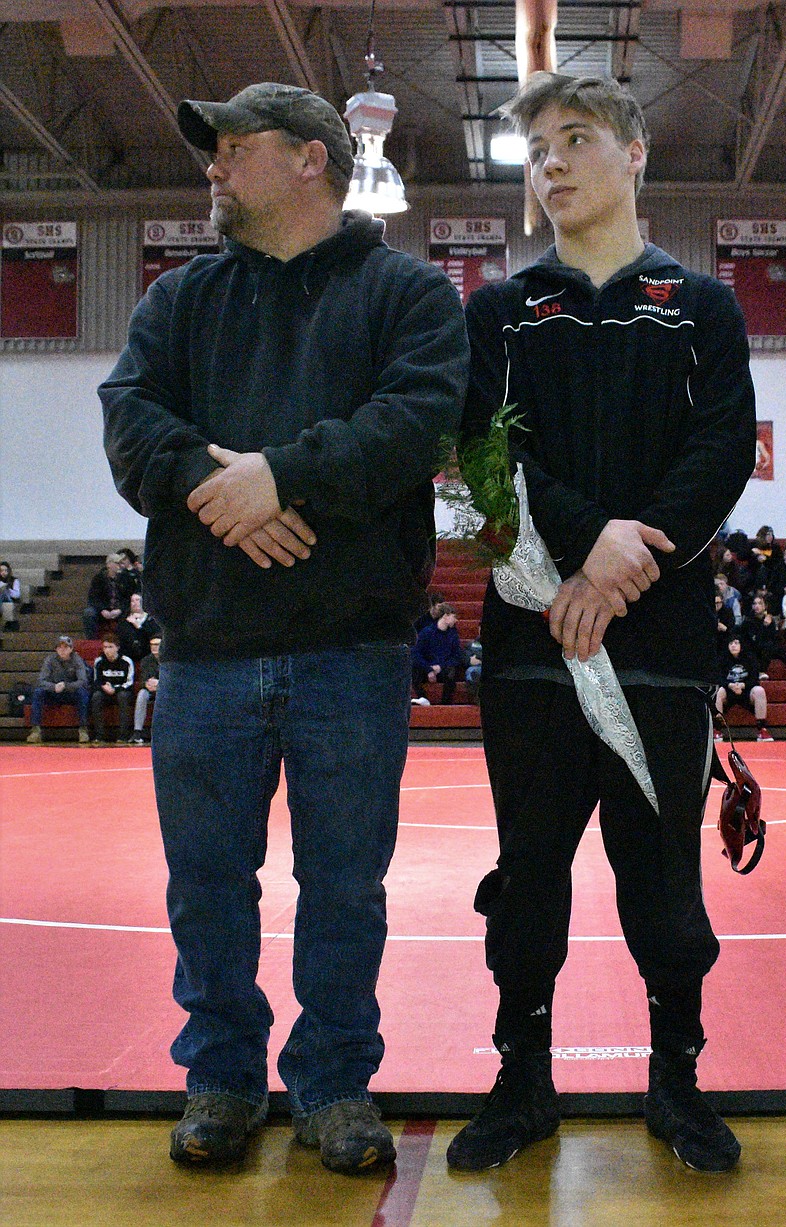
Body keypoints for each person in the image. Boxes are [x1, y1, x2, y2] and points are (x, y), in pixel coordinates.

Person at [99, 82, 468, 1172]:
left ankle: (334, 1080)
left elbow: (417, 422)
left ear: (313, 159)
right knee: (205, 882)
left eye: (233, 146)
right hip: (210, 651)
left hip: (352, 651)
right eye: (212, 149)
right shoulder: (177, 302)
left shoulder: (409, 295)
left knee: (344, 887)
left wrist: (281, 478)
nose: (211, 165)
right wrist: (230, 492)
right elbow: (131, 423)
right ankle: (220, 1075)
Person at [450, 71, 756, 1175]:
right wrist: (592, 545)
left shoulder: (702, 309)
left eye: (574, 140)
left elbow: (721, 453)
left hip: (663, 652)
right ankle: (521, 1081)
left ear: (634, 155)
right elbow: (482, 467)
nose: (552, 164)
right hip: (532, 647)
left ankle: (676, 1079)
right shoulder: (495, 312)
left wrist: (629, 565)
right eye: (536, 150)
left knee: (665, 882)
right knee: (527, 877)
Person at [26, 635, 91, 744]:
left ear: (71, 649)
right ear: (56, 649)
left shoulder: (77, 660)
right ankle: (35, 730)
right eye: (60, 647)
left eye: (66, 647)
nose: (62, 650)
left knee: (82, 693)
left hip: (70, 693)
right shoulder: (50, 660)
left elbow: (82, 681)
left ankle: (83, 729)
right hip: (54, 693)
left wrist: (66, 685)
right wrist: (53, 687)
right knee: (38, 692)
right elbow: (41, 680)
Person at [714, 634, 772, 741]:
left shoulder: (750, 657)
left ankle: (762, 730)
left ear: (741, 645)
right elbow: (718, 678)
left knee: (759, 691)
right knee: (719, 691)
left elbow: (754, 678)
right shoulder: (722, 658)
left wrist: (743, 685)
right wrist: (730, 685)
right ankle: (717, 730)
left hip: (746, 690)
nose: (733, 646)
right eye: (731, 643)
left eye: (736, 643)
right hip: (729, 690)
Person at [411, 603, 467, 704]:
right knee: (414, 668)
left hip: (443, 668)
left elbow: (457, 655)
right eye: (454, 617)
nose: (456, 620)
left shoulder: (453, 634)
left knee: (452, 671)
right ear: (445, 616)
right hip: (427, 667)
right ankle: (422, 697)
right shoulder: (427, 632)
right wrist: (429, 669)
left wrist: (440, 667)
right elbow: (416, 653)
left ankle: (445, 702)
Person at [742, 591, 786, 680]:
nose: (757, 606)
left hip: (770, 646)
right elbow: (755, 639)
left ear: (765, 606)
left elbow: (774, 636)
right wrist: (764, 626)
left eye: (760, 603)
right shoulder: (748, 621)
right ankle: (761, 671)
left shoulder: (769, 619)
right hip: (755, 647)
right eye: (754, 604)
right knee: (767, 646)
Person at [90, 637, 135, 745]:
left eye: (110, 647)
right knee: (96, 697)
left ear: (117, 648)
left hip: (122, 690)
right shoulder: (99, 661)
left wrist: (115, 689)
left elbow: (129, 682)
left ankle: (123, 735)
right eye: (105, 647)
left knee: (123, 697)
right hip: (104, 690)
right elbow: (96, 680)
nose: (107, 650)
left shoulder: (126, 661)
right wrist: (104, 687)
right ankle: (99, 735)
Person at [83, 554, 130, 640]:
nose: (121, 566)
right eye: (117, 563)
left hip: (120, 610)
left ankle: (124, 641)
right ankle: (91, 640)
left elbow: (127, 598)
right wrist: (102, 609)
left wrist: (120, 609)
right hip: (102, 610)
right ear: (109, 565)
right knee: (88, 613)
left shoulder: (126, 578)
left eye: (121, 563)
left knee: (130, 613)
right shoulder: (98, 578)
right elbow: (93, 598)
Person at [131, 635, 162, 744]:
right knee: (141, 694)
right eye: (152, 645)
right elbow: (142, 680)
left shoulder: (171, 660)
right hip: (150, 689)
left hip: (166, 690)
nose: (154, 647)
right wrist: (147, 684)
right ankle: (137, 731)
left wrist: (160, 684)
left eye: (157, 645)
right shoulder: (146, 660)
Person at [118, 592, 163, 662]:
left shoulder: (152, 619)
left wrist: (139, 627)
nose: (135, 603)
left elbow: (155, 636)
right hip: (128, 655)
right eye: (132, 601)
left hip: (148, 654)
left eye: (137, 600)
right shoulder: (124, 620)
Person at [0, 561, 21, 626]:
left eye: (6, 570)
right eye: (1, 571)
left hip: (9, 599)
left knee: (4, 592)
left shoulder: (14, 580)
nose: (3, 573)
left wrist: (8, 590)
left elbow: (17, 595)